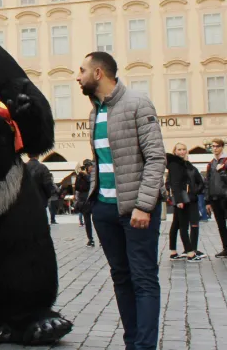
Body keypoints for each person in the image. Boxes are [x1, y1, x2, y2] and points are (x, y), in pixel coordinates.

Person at [77, 52, 165, 350]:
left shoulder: (138, 103)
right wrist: (94, 202)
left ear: (98, 73)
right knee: (121, 278)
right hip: (104, 210)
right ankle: (132, 343)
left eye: (82, 70)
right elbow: (101, 161)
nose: (78, 77)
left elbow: (156, 158)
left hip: (136, 210)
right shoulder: (95, 112)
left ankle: (144, 346)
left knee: (144, 279)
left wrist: (143, 205)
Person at [166, 143, 205, 262]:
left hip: (187, 198)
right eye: (179, 149)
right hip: (182, 199)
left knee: (176, 224)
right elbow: (174, 184)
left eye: (184, 149)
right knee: (183, 226)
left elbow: (197, 181)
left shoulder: (184, 164)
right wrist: (179, 200)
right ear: (175, 151)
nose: (182, 151)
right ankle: (190, 253)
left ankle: (174, 252)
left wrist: (193, 192)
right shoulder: (175, 164)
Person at [204, 138, 227, 258]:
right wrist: (207, 201)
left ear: (222, 147)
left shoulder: (226, 161)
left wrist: (222, 171)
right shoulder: (211, 163)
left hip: (225, 197)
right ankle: (226, 248)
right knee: (221, 225)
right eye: (213, 146)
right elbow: (207, 183)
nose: (215, 148)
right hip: (215, 198)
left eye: (217, 146)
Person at [26, 154, 55, 225]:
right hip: (40, 201)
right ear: (38, 155)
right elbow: (48, 184)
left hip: (26, 202)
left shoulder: (23, 167)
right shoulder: (43, 167)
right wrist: (47, 196)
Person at [75, 161, 96, 247]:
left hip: (88, 200)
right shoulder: (83, 176)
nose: (92, 168)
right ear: (87, 167)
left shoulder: (82, 176)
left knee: (94, 221)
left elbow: (77, 188)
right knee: (89, 221)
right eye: (91, 167)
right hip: (87, 201)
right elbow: (77, 188)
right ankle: (91, 239)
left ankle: (92, 240)